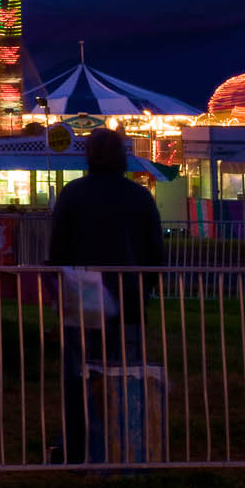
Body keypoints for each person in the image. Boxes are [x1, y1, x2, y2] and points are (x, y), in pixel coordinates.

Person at [47, 127, 165, 463]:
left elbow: (57, 251)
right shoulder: (140, 197)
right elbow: (156, 252)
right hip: (129, 301)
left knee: (78, 377)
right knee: (126, 373)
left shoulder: (72, 194)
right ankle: (124, 444)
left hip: (82, 300)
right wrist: (145, 289)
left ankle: (78, 447)